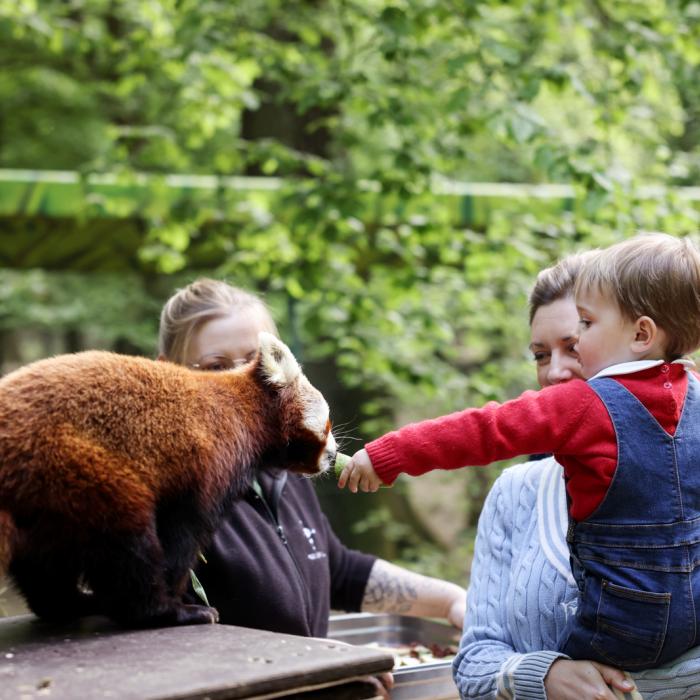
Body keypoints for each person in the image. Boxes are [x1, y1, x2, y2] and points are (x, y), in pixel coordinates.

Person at [338, 233, 700, 672]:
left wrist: (389, 454)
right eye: (540, 354)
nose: (564, 363)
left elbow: (484, 429)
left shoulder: (585, 404)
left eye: (583, 329)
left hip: (621, 625)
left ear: (641, 333)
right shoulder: (694, 396)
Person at [157, 278, 467, 639]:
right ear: (166, 373)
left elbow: (335, 569)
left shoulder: (284, 471)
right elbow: (175, 639)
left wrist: (448, 601)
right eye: (216, 366)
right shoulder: (167, 496)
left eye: (258, 361)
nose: (245, 382)